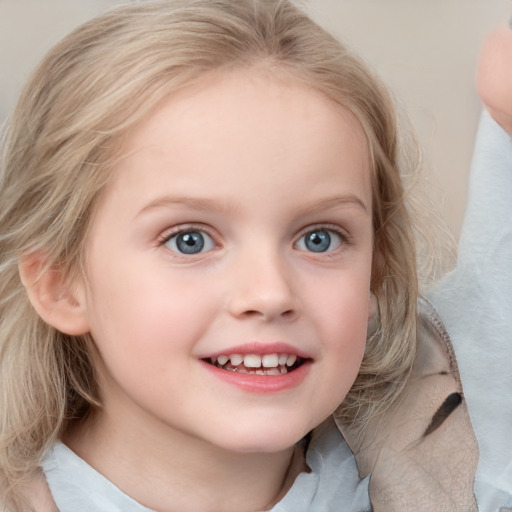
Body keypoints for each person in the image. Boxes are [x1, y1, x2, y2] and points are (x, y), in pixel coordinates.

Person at [0, 1, 508, 510]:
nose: (270, 293)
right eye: (189, 240)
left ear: (376, 271)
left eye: (319, 238)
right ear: (60, 284)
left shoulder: (465, 475)